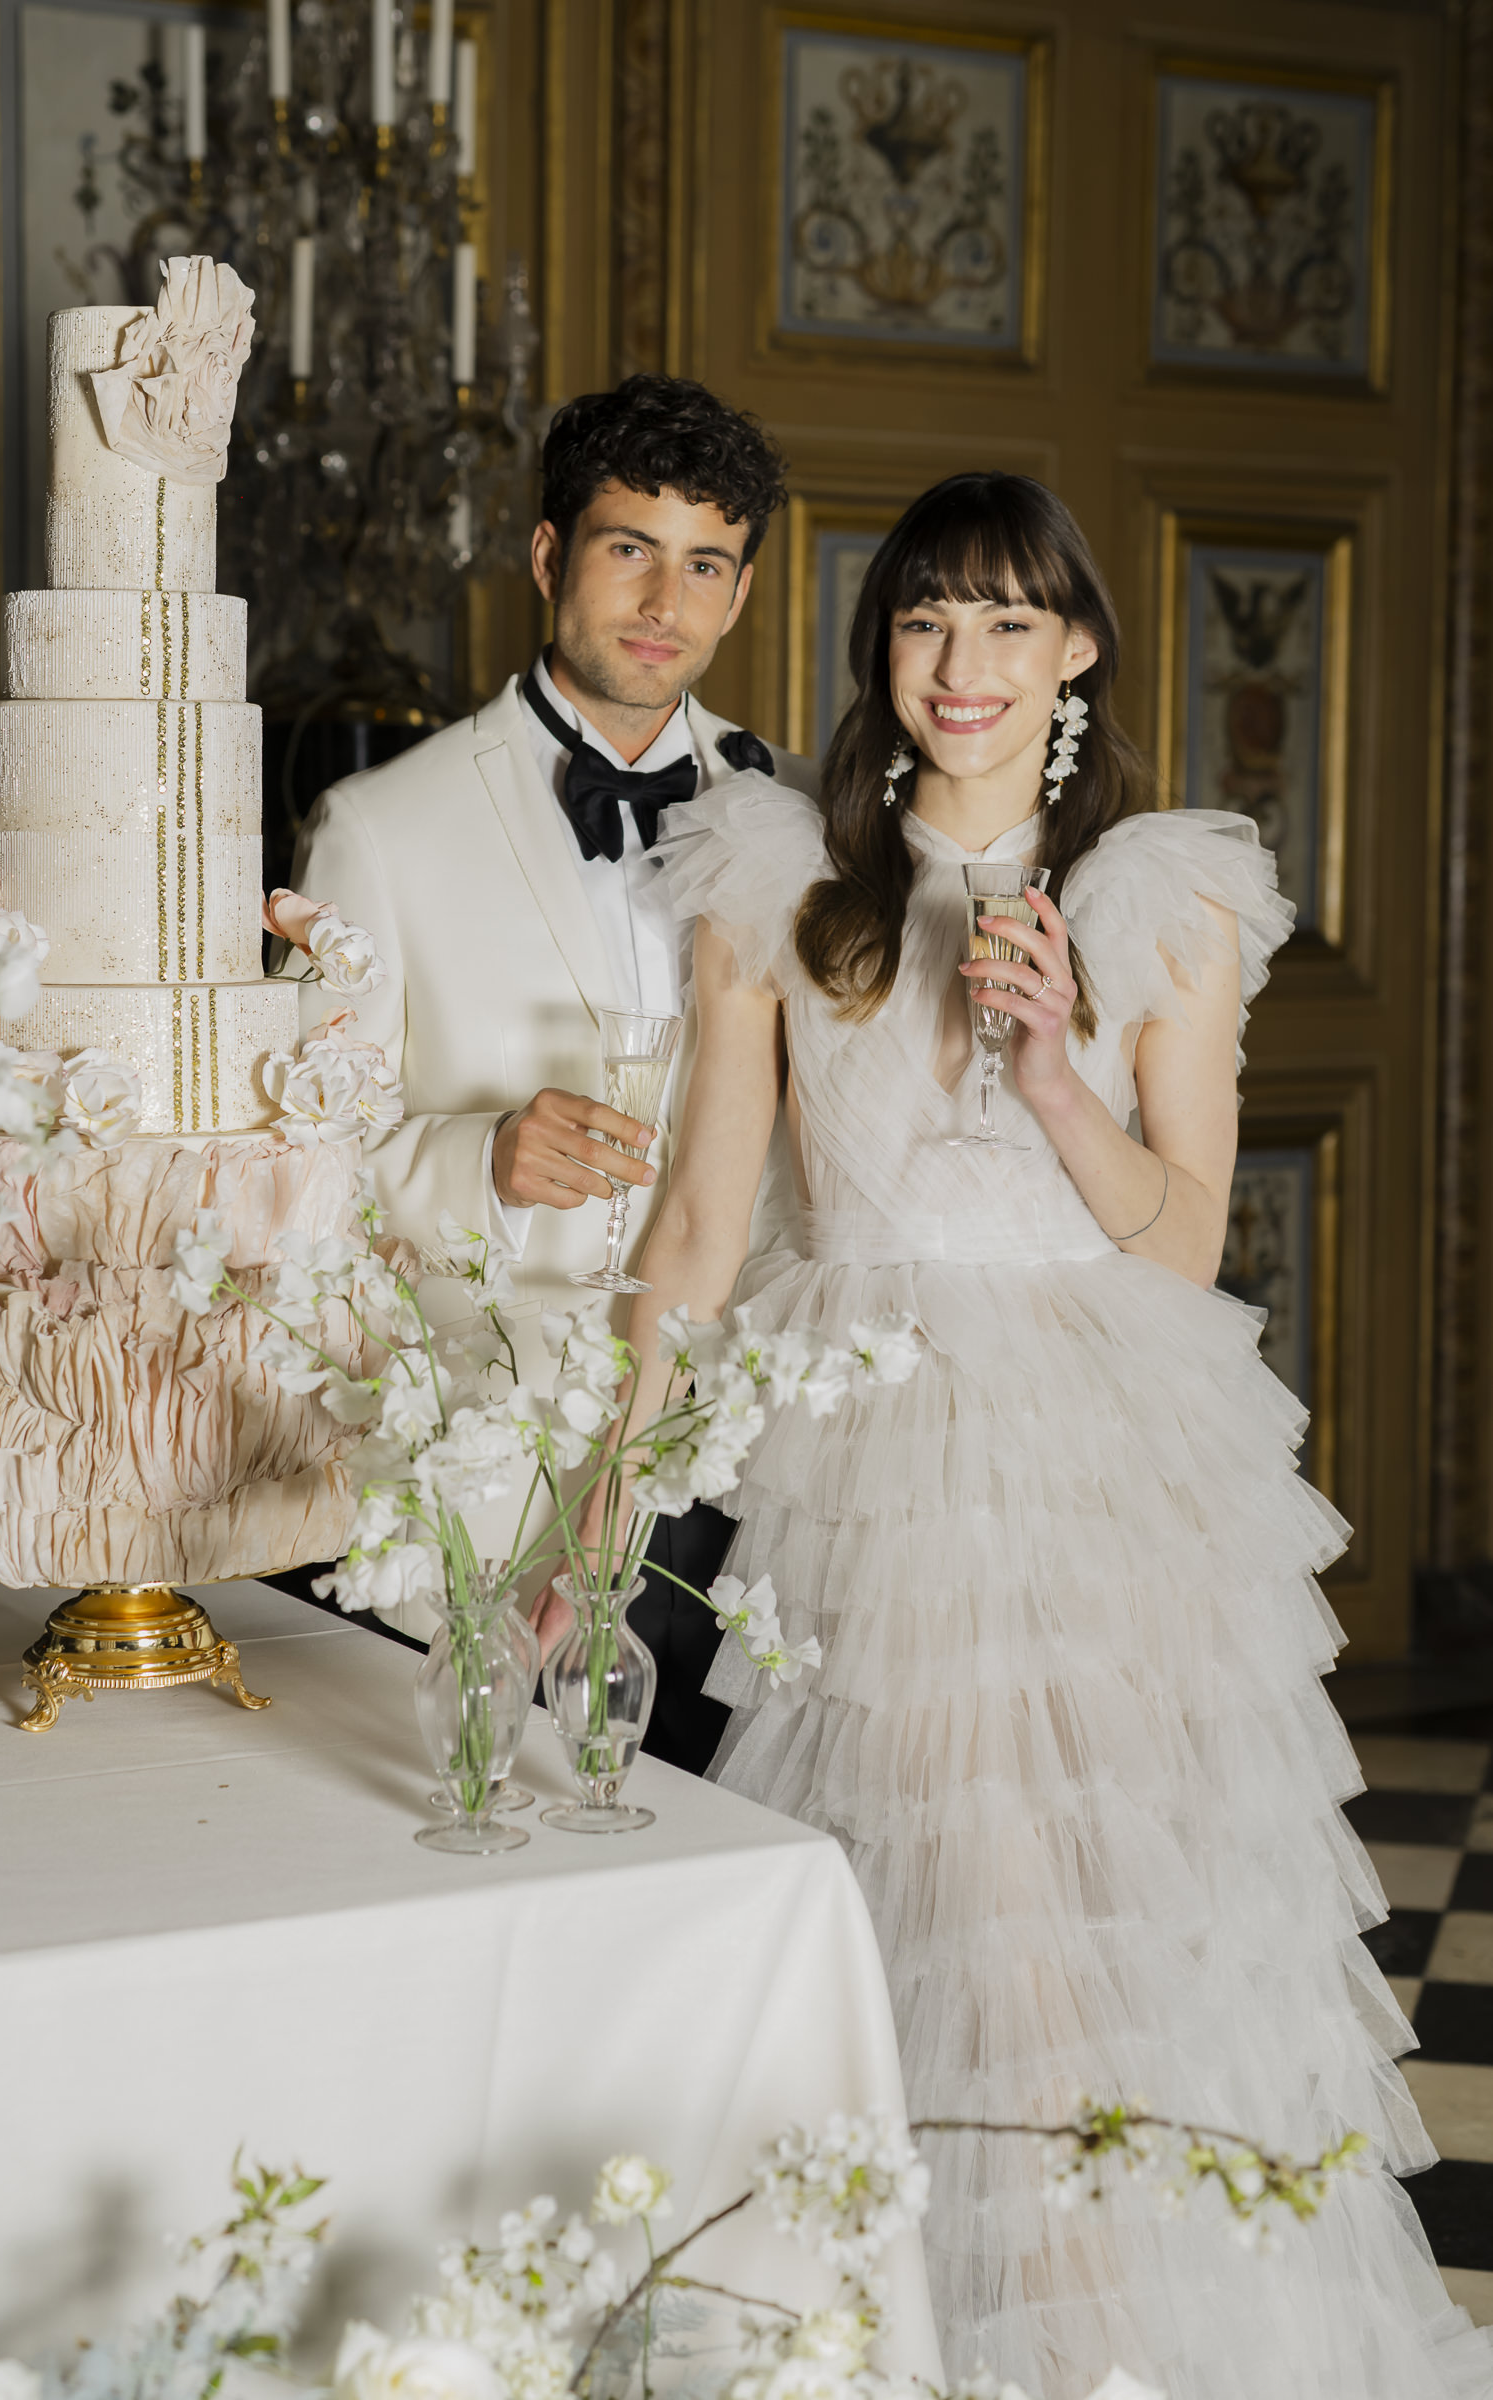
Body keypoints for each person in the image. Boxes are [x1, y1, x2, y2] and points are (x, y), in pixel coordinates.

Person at [618, 472, 1491, 2395]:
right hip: (865, 1467)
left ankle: (1106, 2344)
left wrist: (1048, 1072)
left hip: (1106, 1466)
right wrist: (595, 1502)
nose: (964, 665)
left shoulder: (1155, 896)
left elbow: (1182, 1237)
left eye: (1010, 621)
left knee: (1116, 1929)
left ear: (1077, 645)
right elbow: (699, 1222)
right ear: (880, 648)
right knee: (931, 1915)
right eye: (927, 619)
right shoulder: (773, 883)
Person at [280, 373, 813, 1768]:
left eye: (704, 564)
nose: (663, 599)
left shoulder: (798, 818)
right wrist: (481, 1159)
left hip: (750, 1449)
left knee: (730, 1864)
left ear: (739, 593)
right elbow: (299, 1153)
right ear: (546, 559)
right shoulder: (376, 828)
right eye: (627, 547)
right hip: (490, 1449)